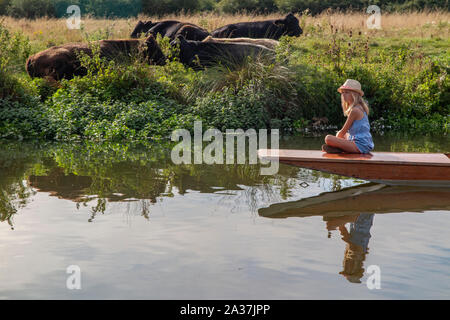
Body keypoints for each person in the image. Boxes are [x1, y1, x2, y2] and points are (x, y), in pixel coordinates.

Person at [322, 79, 374, 154]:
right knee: (345, 135)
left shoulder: (355, 111)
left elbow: (342, 132)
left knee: (328, 138)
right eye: (342, 93)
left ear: (354, 94)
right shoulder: (359, 107)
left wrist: (336, 140)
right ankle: (341, 148)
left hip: (361, 145)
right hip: (364, 143)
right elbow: (345, 133)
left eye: (347, 92)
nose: (343, 95)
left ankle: (340, 148)